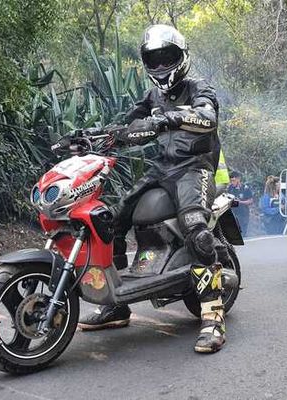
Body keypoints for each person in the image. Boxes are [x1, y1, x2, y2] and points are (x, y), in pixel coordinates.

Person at [78, 24, 227, 353]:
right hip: (162, 167)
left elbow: (208, 117)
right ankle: (117, 305)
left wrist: (170, 118)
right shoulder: (152, 95)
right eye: (153, 59)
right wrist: (94, 136)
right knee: (112, 222)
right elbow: (129, 123)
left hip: (194, 167)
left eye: (167, 58)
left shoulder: (198, 86)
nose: (160, 66)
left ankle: (213, 316)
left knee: (196, 228)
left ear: (182, 57)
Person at [227, 171, 253, 236]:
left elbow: (250, 201)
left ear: (238, 179)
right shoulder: (230, 188)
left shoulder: (245, 188)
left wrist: (240, 202)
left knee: (243, 233)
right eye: (231, 181)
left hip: (243, 214)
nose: (232, 183)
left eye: (234, 180)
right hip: (234, 213)